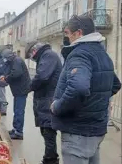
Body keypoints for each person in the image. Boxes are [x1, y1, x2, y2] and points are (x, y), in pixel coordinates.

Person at [51, 15, 121, 164]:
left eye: (68, 33)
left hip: (78, 132)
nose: (68, 37)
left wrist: (57, 106)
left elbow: (78, 87)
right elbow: (115, 84)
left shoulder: (79, 53)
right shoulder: (102, 54)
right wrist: (96, 102)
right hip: (95, 130)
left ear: (78, 33)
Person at [25, 41, 62, 164]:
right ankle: (50, 157)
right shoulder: (46, 56)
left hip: (48, 98)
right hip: (45, 98)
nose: (31, 57)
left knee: (48, 130)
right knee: (45, 130)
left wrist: (29, 87)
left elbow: (42, 76)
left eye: (30, 54)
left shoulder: (48, 55)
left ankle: (50, 159)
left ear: (34, 50)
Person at [0, 48, 31, 140]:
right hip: (18, 90)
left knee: (19, 111)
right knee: (16, 110)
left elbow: (16, 73)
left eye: (5, 58)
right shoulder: (13, 61)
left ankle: (19, 132)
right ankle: (15, 129)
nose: (4, 60)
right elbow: (9, 71)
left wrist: (6, 78)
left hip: (21, 90)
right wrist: (5, 76)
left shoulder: (17, 61)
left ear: (8, 57)